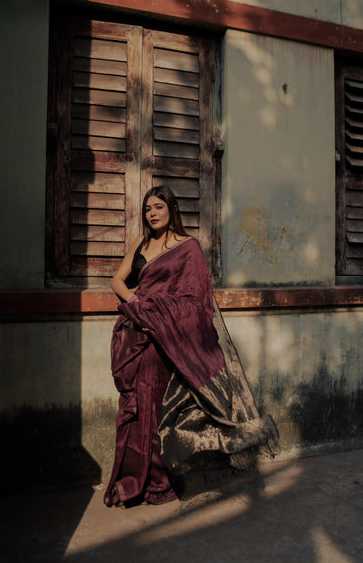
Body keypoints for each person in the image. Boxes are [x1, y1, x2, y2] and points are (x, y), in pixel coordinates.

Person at [104, 186, 278, 508]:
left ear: (172, 209)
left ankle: (159, 483)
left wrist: (161, 313)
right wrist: (136, 302)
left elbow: (196, 302)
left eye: (158, 207)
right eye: (147, 209)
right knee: (137, 408)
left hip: (168, 342)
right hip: (140, 338)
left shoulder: (188, 248)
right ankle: (132, 481)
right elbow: (117, 280)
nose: (152, 213)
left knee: (159, 411)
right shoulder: (141, 245)